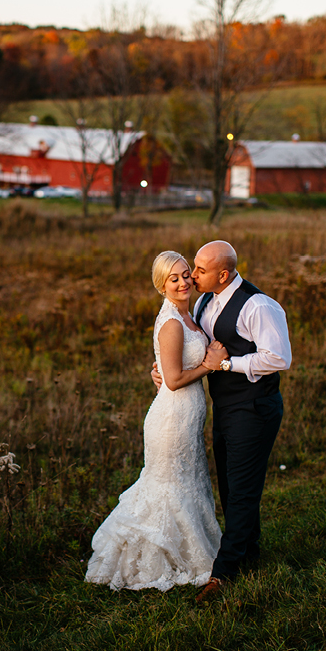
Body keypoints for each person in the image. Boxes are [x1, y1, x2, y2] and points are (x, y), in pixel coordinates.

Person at [152, 240, 292, 603]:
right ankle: (249, 553)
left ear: (223, 274)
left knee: (242, 490)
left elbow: (278, 358)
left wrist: (228, 365)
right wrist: (165, 371)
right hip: (222, 408)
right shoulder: (203, 301)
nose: (192, 276)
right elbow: (190, 347)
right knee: (231, 488)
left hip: (254, 407)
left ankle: (223, 574)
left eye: (198, 270)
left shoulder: (258, 305)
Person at [84, 251, 223, 591]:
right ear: (162, 285)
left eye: (186, 274)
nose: (182, 282)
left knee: (184, 483)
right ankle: (150, 563)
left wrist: (159, 370)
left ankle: (190, 551)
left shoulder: (187, 315)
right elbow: (173, 380)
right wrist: (211, 364)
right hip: (171, 419)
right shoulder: (174, 322)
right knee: (167, 488)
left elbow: (164, 367)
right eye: (173, 278)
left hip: (186, 417)